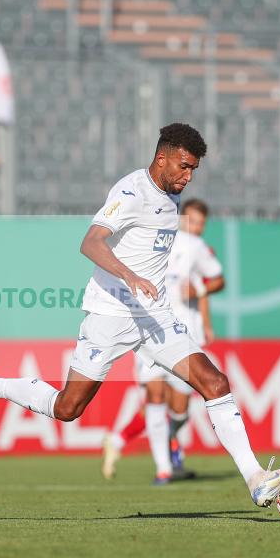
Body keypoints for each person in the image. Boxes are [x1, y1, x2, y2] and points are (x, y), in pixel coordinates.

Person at [0, 123, 280, 508]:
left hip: (154, 316)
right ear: (161, 159)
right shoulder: (131, 191)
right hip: (110, 314)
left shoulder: (172, 197)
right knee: (68, 408)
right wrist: (130, 275)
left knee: (214, 382)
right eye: (184, 167)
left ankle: (256, 479)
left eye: (193, 170)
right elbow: (90, 242)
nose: (188, 177)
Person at [102, 198, 225, 483]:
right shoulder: (140, 240)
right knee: (154, 398)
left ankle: (132, 443)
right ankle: (164, 469)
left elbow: (215, 281)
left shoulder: (193, 246)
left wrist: (202, 310)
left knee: (180, 408)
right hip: (147, 330)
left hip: (182, 334)